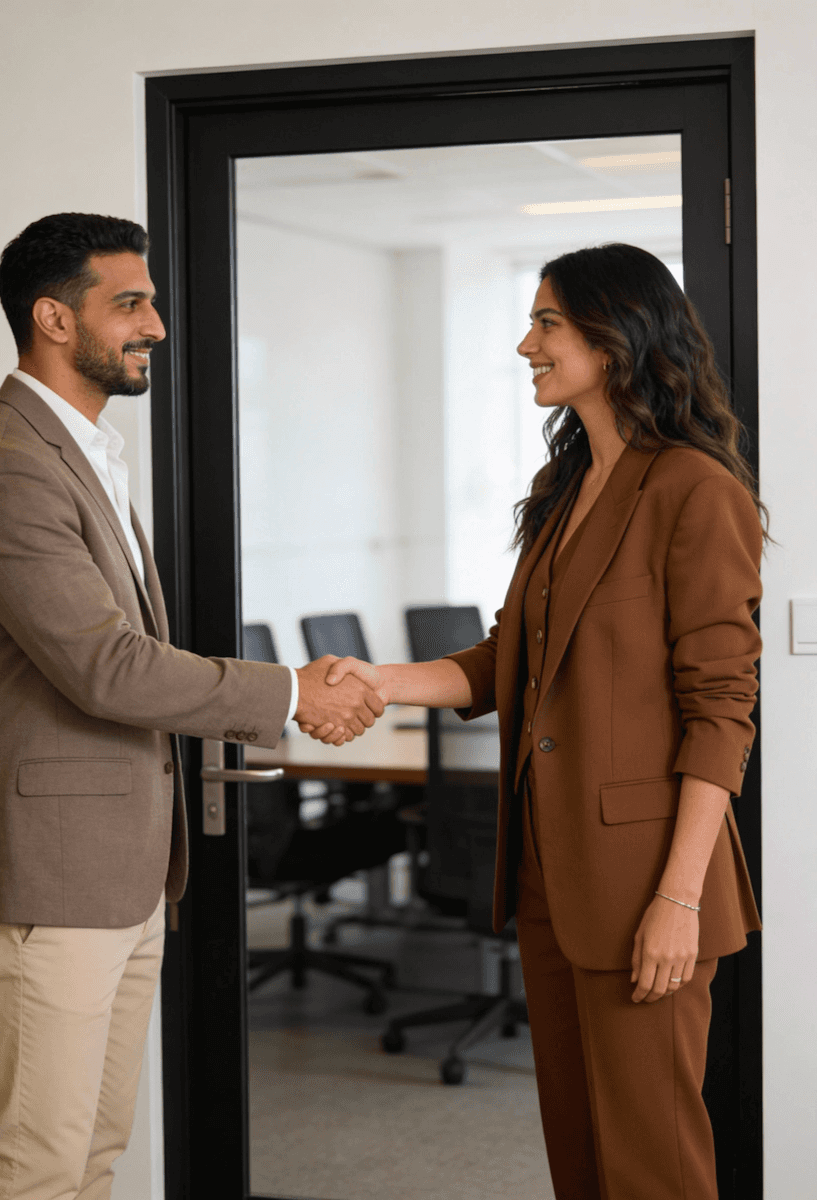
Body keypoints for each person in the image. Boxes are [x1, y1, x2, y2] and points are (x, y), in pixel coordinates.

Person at [0, 211, 384, 1200]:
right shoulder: (5, 467)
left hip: (124, 872)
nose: (157, 327)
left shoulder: (79, 453)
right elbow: (110, 670)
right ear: (54, 317)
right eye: (129, 303)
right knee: (33, 1169)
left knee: (92, 1157)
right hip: (50, 882)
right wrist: (297, 690)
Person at [317, 244, 766, 1200]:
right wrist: (377, 679)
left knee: (653, 1164)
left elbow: (722, 712)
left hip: (648, 882)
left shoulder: (695, 490)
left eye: (547, 322)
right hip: (549, 875)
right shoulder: (566, 493)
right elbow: (503, 663)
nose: (526, 344)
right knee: (580, 1155)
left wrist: (678, 900)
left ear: (616, 334)